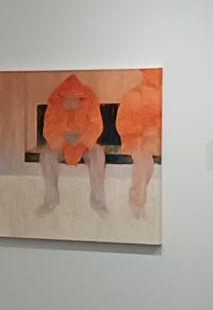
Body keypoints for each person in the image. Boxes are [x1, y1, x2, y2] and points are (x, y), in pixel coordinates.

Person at [39, 74, 107, 216]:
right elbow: (49, 129)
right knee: (46, 155)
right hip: (61, 142)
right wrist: (63, 145)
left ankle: (98, 202)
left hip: (84, 141)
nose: (70, 103)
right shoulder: (54, 102)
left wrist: (82, 143)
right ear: (61, 97)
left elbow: (96, 127)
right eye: (67, 98)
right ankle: (51, 199)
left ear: (81, 98)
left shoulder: (91, 100)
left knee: (98, 154)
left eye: (74, 99)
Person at [116, 74, 163, 218]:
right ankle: (137, 204)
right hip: (136, 141)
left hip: (158, 140)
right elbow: (123, 124)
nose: (156, 77)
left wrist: (156, 130)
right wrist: (143, 132)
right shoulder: (133, 96)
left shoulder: (167, 94)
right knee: (144, 161)